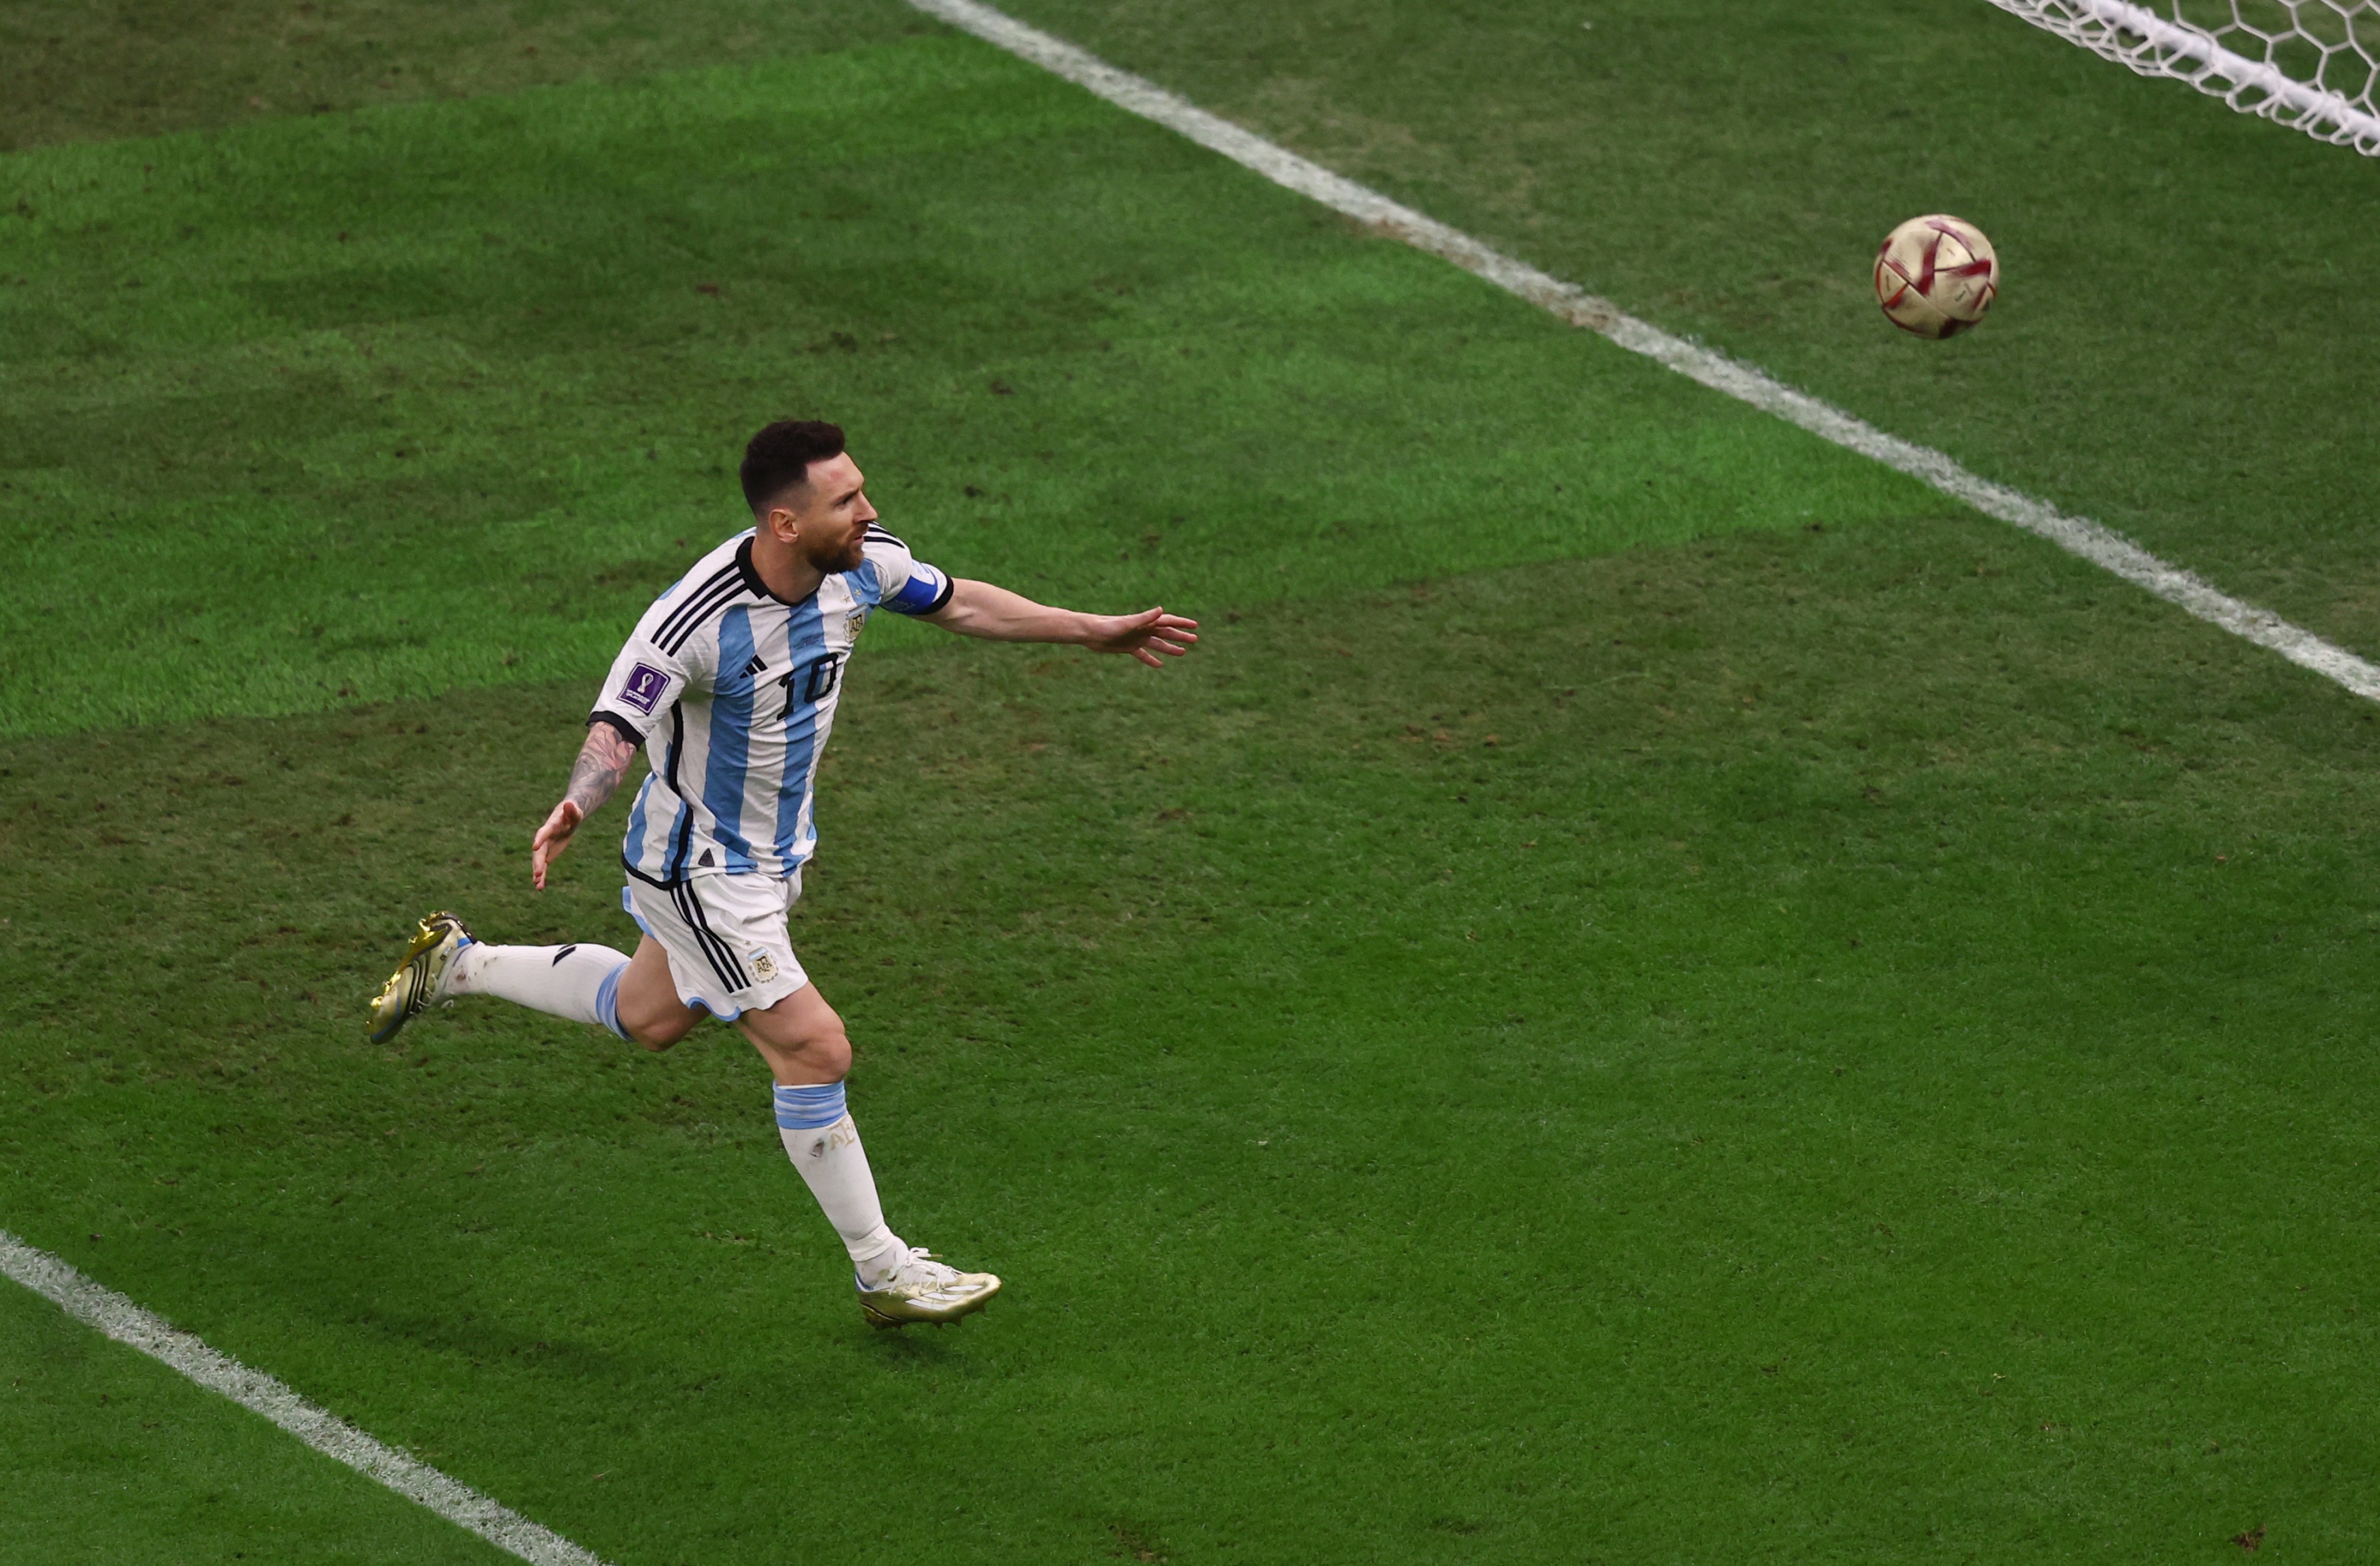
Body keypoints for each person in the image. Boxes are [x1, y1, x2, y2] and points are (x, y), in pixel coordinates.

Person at [367, 419, 1197, 1327]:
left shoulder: (860, 566)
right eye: (847, 500)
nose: (869, 510)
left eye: (862, 489)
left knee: (649, 1017)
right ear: (785, 522)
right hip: (700, 868)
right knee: (814, 1048)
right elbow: (617, 727)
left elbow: (959, 602)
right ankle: (883, 1271)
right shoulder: (692, 620)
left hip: (773, 856)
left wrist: (1090, 631)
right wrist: (576, 803)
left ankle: (458, 963)